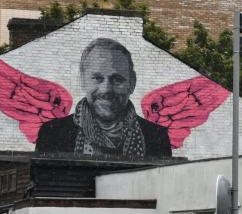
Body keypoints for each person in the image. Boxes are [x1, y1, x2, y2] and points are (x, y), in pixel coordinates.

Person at [35, 38, 172, 158]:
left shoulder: (156, 137)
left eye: (117, 79)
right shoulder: (53, 134)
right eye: (97, 78)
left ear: (132, 83)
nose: (106, 89)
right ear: (82, 81)